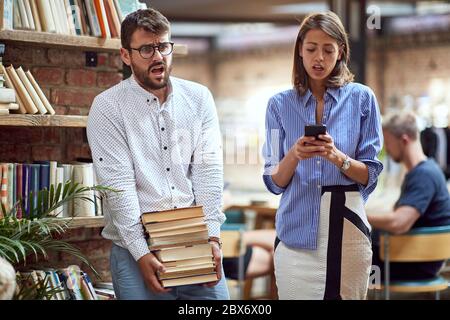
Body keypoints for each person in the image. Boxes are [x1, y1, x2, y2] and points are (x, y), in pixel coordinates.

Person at [86, 8, 229, 300]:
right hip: (137, 250)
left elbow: (208, 170)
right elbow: (118, 187)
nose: (158, 56)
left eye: (163, 46)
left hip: (195, 242)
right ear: (126, 55)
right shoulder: (108, 107)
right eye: (146, 49)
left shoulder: (199, 99)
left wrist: (213, 237)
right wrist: (140, 252)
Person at [262, 12, 383, 300]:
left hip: (347, 231)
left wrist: (335, 156)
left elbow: (370, 175)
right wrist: (294, 154)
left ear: (340, 52)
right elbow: (273, 181)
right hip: (295, 234)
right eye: (311, 49)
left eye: (328, 50)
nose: (319, 58)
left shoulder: (362, 99)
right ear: (300, 51)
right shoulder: (278, 105)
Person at [368, 112, 450, 281]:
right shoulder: (426, 170)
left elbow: (399, 223)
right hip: (415, 258)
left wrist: (361, 215)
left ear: (404, 140)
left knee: (352, 257)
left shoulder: (424, 175)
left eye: (388, 143)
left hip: (415, 263)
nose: (387, 150)